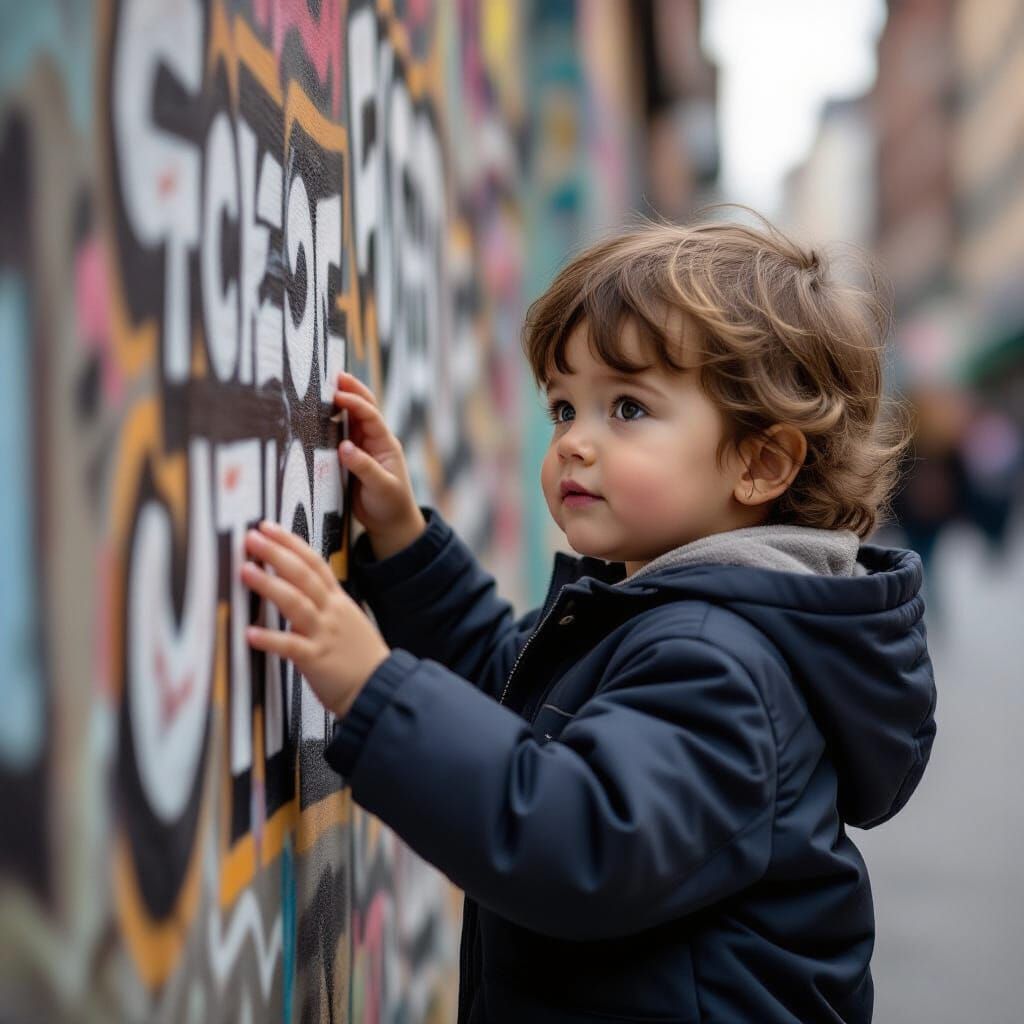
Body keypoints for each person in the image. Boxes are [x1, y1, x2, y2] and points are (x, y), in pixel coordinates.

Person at [241, 212, 938, 1023]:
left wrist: (372, 688)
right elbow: (512, 693)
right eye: (565, 408)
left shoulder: (723, 665)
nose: (574, 442)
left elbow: (573, 839)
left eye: (628, 409)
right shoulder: (668, 615)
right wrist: (401, 540)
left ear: (760, 463)